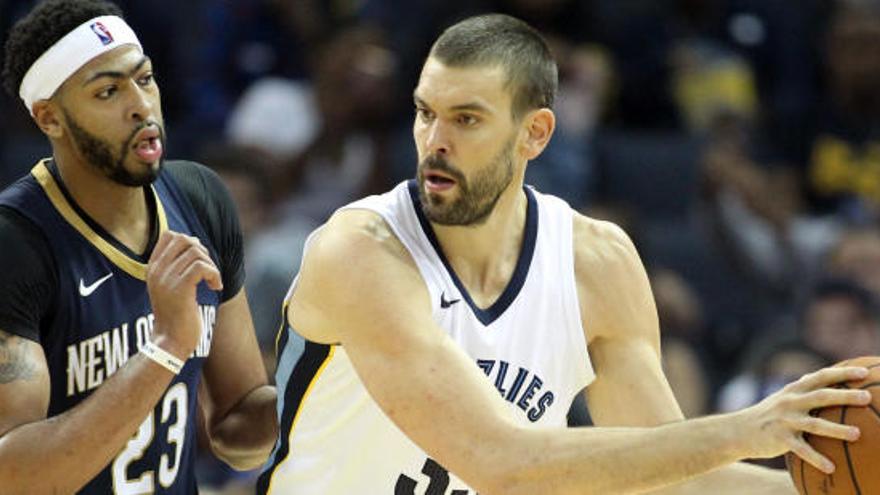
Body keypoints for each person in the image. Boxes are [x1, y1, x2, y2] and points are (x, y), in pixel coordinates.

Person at [260, 13, 872, 495]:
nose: (435, 142)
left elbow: (669, 477)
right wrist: (749, 428)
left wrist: (822, 486)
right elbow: (501, 465)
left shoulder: (594, 262)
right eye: (426, 113)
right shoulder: (362, 252)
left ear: (536, 133)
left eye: (466, 119)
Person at [0, 1, 276, 493]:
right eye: (108, 91)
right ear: (49, 119)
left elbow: (238, 431)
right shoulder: (16, 243)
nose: (141, 106)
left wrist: (332, 377)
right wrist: (165, 348)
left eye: (144, 79)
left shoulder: (201, 199)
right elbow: (16, 477)